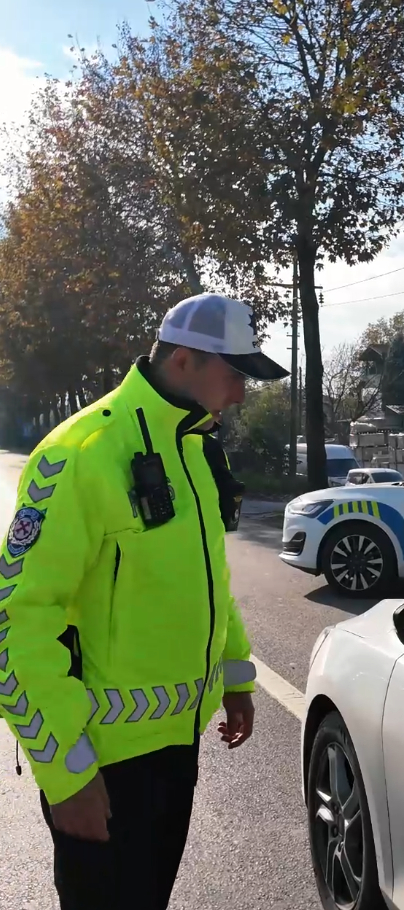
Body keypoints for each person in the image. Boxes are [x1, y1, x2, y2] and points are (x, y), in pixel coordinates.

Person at [0, 293, 288, 910]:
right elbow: (15, 627)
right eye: (235, 374)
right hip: (101, 767)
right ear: (184, 360)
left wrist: (236, 677)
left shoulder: (195, 449)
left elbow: (208, 580)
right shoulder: (80, 453)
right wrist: (66, 774)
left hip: (175, 749)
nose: (241, 393)